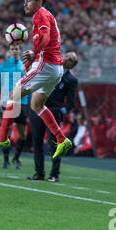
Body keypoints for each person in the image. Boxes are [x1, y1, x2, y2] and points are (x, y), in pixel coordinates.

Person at [0, 0, 72, 160]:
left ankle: (2, 138)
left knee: (12, 95)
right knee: (36, 105)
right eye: (24, 1)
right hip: (55, 68)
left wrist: (34, 52)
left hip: (46, 65)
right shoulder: (42, 16)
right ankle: (61, 139)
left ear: (39, 2)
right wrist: (31, 60)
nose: (25, 4)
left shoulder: (41, 14)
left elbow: (45, 38)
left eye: (29, 0)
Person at [28, 51, 78, 181]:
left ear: (73, 65)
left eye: (71, 59)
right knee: (37, 141)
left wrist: (61, 111)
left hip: (54, 112)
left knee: (54, 143)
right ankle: (39, 172)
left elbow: (71, 102)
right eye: (67, 55)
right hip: (38, 109)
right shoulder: (50, 68)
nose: (67, 58)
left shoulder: (71, 80)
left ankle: (55, 174)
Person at [0, 43, 29, 170]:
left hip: (23, 102)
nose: (15, 51)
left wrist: (30, 102)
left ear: (20, 51)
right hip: (7, 102)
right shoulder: (3, 66)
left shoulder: (25, 66)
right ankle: (6, 160)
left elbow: (30, 84)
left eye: (17, 49)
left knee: (23, 134)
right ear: (9, 51)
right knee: (6, 132)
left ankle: (16, 158)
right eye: (12, 49)